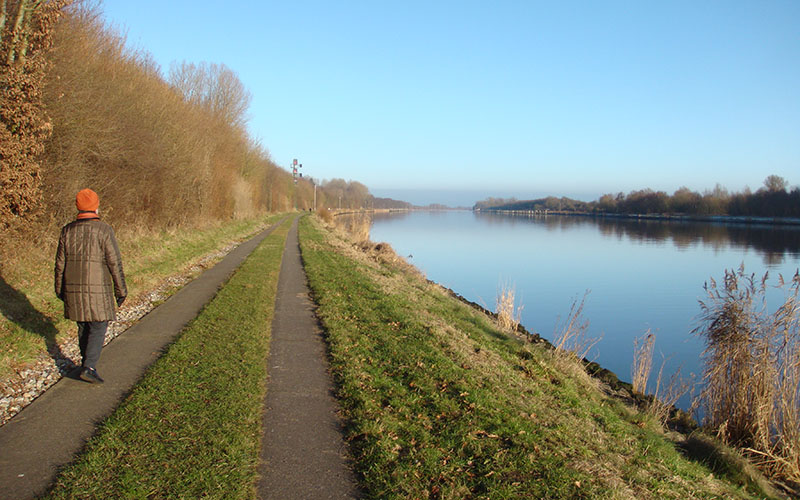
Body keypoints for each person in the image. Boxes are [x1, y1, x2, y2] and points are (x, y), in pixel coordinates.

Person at [54, 188, 127, 383]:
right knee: (98, 324)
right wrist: (121, 290)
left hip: (74, 289)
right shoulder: (104, 230)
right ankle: (89, 366)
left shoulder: (67, 231)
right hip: (98, 290)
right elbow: (114, 263)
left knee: (83, 324)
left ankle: (85, 363)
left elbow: (60, 264)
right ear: (96, 206)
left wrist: (60, 290)